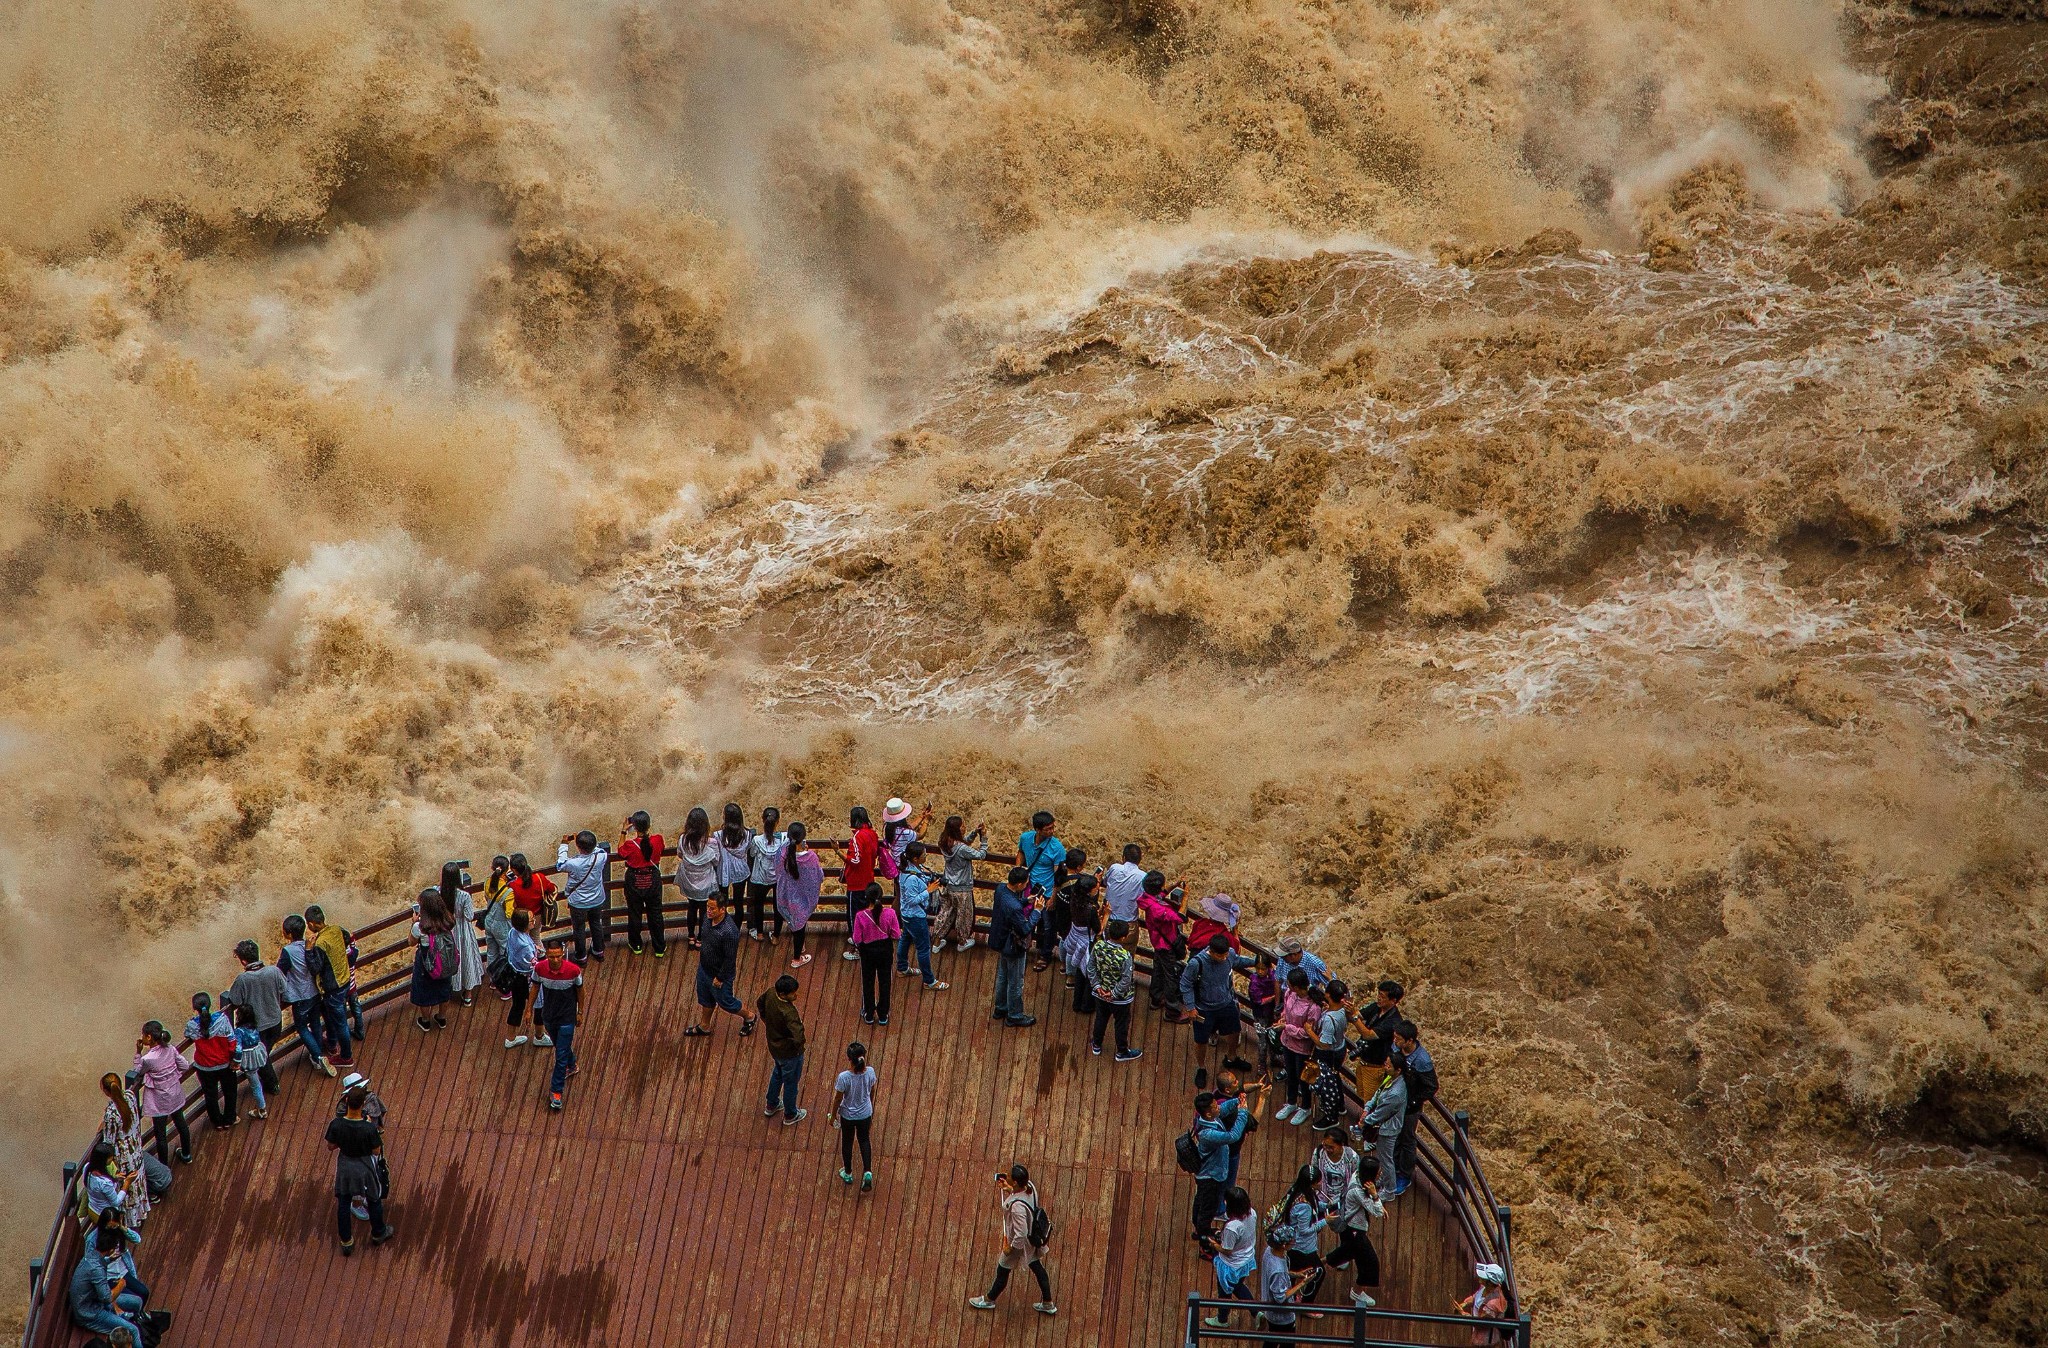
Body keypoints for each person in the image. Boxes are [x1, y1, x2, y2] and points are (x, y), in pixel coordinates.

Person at [968, 1164, 1056, 1316]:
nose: (1006, 1178)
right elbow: (1023, 1197)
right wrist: (1009, 1190)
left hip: (1020, 1244)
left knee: (1002, 1270)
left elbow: (1020, 1233)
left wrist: (1011, 1248)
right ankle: (1048, 1303)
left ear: (1015, 1182)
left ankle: (989, 1300)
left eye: (1009, 1178)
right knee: (1037, 1268)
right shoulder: (1030, 1187)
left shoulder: (1016, 1208)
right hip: (1032, 1239)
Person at [326, 1082, 393, 1254]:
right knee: (374, 1198)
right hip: (365, 1166)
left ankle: (346, 1241)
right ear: (363, 1104)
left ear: (346, 1100)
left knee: (344, 1201)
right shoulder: (369, 1128)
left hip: (345, 1165)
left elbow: (331, 1146)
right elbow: (376, 1150)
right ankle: (379, 1233)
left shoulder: (337, 1124)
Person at [68, 1220, 148, 1344]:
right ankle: (132, 1332)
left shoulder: (92, 1256)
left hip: (95, 1301)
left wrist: (108, 1260)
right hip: (90, 1314)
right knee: (133, 1331)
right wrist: (121, 1284)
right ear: (110, 1249)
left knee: (137, 1302)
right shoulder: (97, 1270)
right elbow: (107, 1298)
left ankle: (134, 1321)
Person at [688, 893, 756, 1038]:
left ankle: (750, 1016)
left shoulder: (729, 932)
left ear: (722, 909)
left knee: (727, 1002)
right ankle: (704, 1026)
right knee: (705, 998)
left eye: (712, 908)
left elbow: (730, 959)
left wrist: (720, 977)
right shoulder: (707, 919)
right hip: (704, 968)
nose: (709, 911)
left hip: (720, 975)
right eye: (708, 907)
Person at [223, 940, 286, 1095]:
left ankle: (272, 1085)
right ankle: (267, 1081)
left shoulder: (243, 979)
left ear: (243, 961)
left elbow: (235, 1000)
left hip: (257, 1027)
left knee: (261, 1057)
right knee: (264, 1053)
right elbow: (283, 988)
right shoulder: (274, 971)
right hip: (276, 1021)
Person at [1189, 1088, 1253, 1239]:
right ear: (1209, 1113)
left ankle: (1198, 1225)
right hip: (1211, 1176)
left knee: (1201, 1200)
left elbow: (1223, 1110)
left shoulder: (1209, 1117)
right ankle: (1204, 1236)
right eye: (1215, 1106)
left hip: (1207, 1172)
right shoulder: (1208, 1134)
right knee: (1208, 1208)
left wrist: (1237, 1101)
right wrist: (1243, 1112)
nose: (1219, 1107)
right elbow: (1232, 1136)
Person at [278, 914, 335, 1075]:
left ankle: (317, 1056)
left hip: (299, 995)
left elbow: (280, 970)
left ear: (288, 934)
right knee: (315, 1023)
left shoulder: (287, 951)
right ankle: (316, 1053)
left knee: (302, 1027)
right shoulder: (310, 944)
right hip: (314, 992)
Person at [1181, 934, 1256, 1055]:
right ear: (1211, 951)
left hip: (1226, 1003)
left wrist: (1255, 962)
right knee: (1201, 1041)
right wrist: (1190, 1007)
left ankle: (1232, 1057)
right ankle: (1201, 1068)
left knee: (1235, 1031)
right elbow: (1185, 984)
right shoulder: (1196, 963)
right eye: (1221, 956)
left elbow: (1238, 960)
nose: (1225, 958)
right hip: (1204, 1008)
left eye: (1226, 954)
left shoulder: (1229, 954)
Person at [1322, 1162, 1384, 1307]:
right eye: (1378, 1172)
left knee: (1345, 1253)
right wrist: (1375, 1196)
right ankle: (1356, 1292)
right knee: (1369, 1262)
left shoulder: (1356, 1176)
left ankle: (1316, 1264)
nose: (1380, 1173)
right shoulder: (1358, 1192)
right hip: (1355, 1231)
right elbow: (1378, 1212)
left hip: (1348, 1228)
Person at [532, 935, 583, 1110]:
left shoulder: (573, 971)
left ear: (563, 954)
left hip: (567, 1017)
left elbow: (580, 991)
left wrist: (580, 1012)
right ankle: (572, 1064)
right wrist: (528, 1009)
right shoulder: (539, 969)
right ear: (546, 955)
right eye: (551, 956)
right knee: (559, 1046)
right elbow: (535, 987)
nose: (555, 960)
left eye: (558, 956)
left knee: (560, 1055)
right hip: (549, 1016)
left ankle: (556, 1092)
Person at [988, 866, 1041, 1028]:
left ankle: (1001, 1007)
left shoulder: (1001, 889)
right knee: (1016, 982)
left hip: (1000, 940)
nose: (1026, 886)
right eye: (1025, 883)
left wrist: (1026, 900)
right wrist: (1037, 912)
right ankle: (1015, 1015)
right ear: (1018, 884)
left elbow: (1010, 902)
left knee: (1003, 976)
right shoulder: (1015, 908)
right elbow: (1025, 929)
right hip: (1013, 945)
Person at [97, 1075, 153, 1225]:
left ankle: (130, 1221)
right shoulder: (130, 1096)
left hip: (123, 1156)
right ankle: (141, 1213)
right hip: (136, 1148)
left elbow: (108, 1140)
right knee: (137, 1181)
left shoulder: (111, 1114)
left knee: (126, 1187)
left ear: (106, 1092)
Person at [304, 904, 357, 1064]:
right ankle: (332, 1044)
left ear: (312, 924)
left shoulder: (320, 943)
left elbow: (315, 968)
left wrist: (308, 950)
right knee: (336, 1018)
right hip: (345, 980)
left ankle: (346, 1057)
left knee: (340, 1023)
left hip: (333, 988)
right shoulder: (336, 930)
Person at [131, 1021, 189, 1164]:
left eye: (143, 1035)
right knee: (181, 1123)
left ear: (149, 1037)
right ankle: (187, 1154)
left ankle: (164, 1166)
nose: (142, 1038)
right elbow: (185, 1065)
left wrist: (138, 1052)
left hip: (159, 1100)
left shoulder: (148, 1059)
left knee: (160, 1135)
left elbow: (137, 1072)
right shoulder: (170, 1049)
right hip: (174, 1093)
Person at [893, 842, 949, 992]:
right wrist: (929, 891)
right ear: (916, 859)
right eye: (924, 855)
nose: (926, 856)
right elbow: (912, 900)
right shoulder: (911, 878)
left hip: (907, 915)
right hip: (915, 916)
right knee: (923, 949)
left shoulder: (908, 870)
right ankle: (929, 981)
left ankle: (902, 968)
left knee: (905, 939)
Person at [1270, 1166, 1327, 1309]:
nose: (1321, 1183)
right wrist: (1326, 1220)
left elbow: (1315, 1204)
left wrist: (1327, 1205)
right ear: (1312, 1183)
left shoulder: (1298, 1192)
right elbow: (1305, 1230)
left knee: (1292, 1271)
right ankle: (1306, 1305)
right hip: (1302, 1247)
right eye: (1318, 1181)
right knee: (1318, 1272)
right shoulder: (1304, 1206)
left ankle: (1290, 1297)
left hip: (1294, 1245)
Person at [1202, 1186, 1258, 1328]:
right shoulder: (1252, 1213)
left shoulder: (1232, 1227)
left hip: (1230, 1265)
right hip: (1246, 1259)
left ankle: (1222, 1319)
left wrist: (1214, 1244)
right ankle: (1256, 1312)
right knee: (1237, 1286)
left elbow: (1227, 1249)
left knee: (1225, 1292)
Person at [1088, 918, 1143, 1061]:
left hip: (1100, 994)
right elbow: (1126, 980)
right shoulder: (1125, 956)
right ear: (1124, 937)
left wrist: (1097, 987)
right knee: (1121, 1024)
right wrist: (1113, 993)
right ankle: (1122, 1051)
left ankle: (1096, 1045)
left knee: (1100, 1018)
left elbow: (1091, 967)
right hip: (1120, 999)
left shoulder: (1098, 946)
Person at [1393, 1020, 1437, 1193]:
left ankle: (1404, 1176)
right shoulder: (1397, 1047)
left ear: (1409, 1040)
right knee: (1394, 1136)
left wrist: (1414, 1101)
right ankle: (1392, 1169)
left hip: (1410, 1108)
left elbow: (1432, 1086)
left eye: (1398, 1038)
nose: (1395, 1040)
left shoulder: (1422, 1060)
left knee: (1407, 1140)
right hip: (1395, 1100)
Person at [184, 992, 239, 1131]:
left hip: (204, 1067)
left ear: (194, 1008)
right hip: (225, 1064)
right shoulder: (222, 1020)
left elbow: (187, 1034)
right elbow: (232, 1042)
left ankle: (217, 1122)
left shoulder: (192, 1025)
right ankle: (229, 1118)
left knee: (210, 1095)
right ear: (209, 1005)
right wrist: (234, 1059)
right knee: (230, 1092)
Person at [557, 828, 613, 963]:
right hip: (597, 899)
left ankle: (581, 956)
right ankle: (598, 951)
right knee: (596, 924)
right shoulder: (601, 856)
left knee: (579, 928)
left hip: (578, 902)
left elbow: (560, 864)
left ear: (578, 846)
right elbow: (598, 849)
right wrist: (581, 842)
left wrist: (564, 844)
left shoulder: (573, 863)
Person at [757, 974, 806, 1125]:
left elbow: (759, 1002)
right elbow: (798, 1035)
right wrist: (798, 1048)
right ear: (784, 994)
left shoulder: (771, 993)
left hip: (774, 1046)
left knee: (777, 1073)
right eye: (793, 993)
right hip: (790, 1053)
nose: (795, 995)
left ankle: (771, 1104)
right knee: (791, 1082)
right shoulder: (789, 1012)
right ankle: (790, 1114)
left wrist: (766, 1021)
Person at [1139, 874, 1189, 1020]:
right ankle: (1172, 1011)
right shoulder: (1158, 910)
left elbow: (1160, 894)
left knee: (1159, 969)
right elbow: (1181, 918)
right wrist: (1185, 897)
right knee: (1171, 976)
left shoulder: (1147, 898)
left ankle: (1156, 998)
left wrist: (1175, 884)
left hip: (1157, 942)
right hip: (1166, 945)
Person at [828, 1040, 877, 1191]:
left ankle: (848, 1172)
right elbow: (872, 1090)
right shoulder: (870, 1072)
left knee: (847, 1142)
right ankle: (867, 1171)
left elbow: (838, 1098)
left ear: (850, 1059)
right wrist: (870, 1107)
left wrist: (833, 1115)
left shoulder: (844, 1077)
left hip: (848, 1116)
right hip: (865, 1113)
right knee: (864, 1140)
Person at [618, 811, 667, 957]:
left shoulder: (630, 845)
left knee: (634, 913)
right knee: (656, 914)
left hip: (635, 882)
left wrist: (623, 831)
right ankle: (659, 947)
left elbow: (620, 852)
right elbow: (660, 848)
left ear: (634, 827)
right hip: (653, 880)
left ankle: (636, 944)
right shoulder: (657, 840)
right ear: (649, 825)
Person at [1275, 970, 1320, 1125]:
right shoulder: (1290, 993)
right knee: (1291, 1074)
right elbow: (1285, 1010)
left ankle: (1306, 1107)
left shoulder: (1313, 1007)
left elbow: (1308, 1033)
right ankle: (1291, 1102)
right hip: (1287, 1043)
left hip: (1302, 1049)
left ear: (1296, 986)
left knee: (1304, 1079)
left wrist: (1286, 1027)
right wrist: (1283, 1018)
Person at [934, 816, 986, 951]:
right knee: (963, 916)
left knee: (945, 913)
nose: (965, 827)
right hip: (962, 888)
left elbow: (963, 843)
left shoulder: (944, 842)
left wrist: (974, 832)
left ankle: (936, 942)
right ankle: (962, 943)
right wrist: (984, 839)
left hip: (948, 885)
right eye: (963, 826)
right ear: (957, 829)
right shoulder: (962, 848)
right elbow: (980, 855)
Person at [409, 886, 457, 1032]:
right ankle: (441, 1017)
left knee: (423, 990)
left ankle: (425, 1021)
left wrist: (413, 922)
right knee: (444, 988)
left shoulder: (420, 926)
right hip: (445, 960)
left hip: (427, 964)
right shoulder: (448, 919)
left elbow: (411, 942)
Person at [851, 883, 900, 1026]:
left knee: (868, 981)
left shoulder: (860, 916)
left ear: (866, 898)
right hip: (885, 949)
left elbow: (857, 939)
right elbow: (896, 934)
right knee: (885, 981)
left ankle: (869, 1013)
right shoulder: (890, 913)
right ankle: (883, 1015)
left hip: (868, 951)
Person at [836, 805, 881, 959]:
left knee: (853, 917)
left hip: (856, 884)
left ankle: (858, 949)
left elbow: (854, 860)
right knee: (866, 914)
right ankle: (864, 940)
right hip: (868, 881)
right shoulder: (873, 834)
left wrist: (837, 851)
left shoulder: (857, 837)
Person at [1362, 1053, 1410, 1193]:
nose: (1385, 1066)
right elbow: (1378, 1093)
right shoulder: (1390, 1078)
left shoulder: (1396, 1092)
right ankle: (1385, 1180)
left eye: (1389, 1065)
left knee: (1386, 1160)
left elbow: (1381, 1113)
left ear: (1398, 1070)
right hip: (1383, 1126)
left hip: (1388, 1129)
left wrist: (1365, 1121)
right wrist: (1367, 1108)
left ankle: (1390, 1189)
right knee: (1383, 1157)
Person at [777, 821, 823, 967]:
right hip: (801, 901)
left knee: (794, 925)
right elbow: (819, 876)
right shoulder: (810, 857)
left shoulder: (782, 853)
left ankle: (800, 945)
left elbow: (777, 870)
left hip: (784, 898)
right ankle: (797, 959)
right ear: (803, 837)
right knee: (799, 929)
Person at [1259, 1225, 1313, 1347]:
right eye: (1291, 1241)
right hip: (1282, 1318)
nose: (1294, 1242)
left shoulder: (1269, 1251)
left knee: (1271, 1340)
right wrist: (1303, 1283)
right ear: (1284, 1245)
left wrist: (1296, 1274)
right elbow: (1280, 1297)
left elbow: (1278, 1273)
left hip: (1270, 1312)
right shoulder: (1277, 1269)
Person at [674, 808, 720, 949]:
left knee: (691, 908)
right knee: (705, 911)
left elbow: (680, 855)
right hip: (705, 883)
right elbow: (716, 861)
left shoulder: (683, 839)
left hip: (689, 881)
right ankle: (701, 937)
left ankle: (691, 937)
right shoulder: (710, 842)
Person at [439, 862, 484, 1007]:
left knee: (448, 958)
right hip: (463, 930)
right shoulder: (464, 896)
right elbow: (469, 916)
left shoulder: (438, 893)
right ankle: (468, 994)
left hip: (447, 929)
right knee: (466, 958)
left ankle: (450, 986)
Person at [745, 807, 786, 943]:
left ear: (763, 820)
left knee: (758, 905)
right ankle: (775, 936)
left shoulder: (757, 840)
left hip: (761, 878)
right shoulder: (783, 839)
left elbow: (752, 854)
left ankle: (760, 933)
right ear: (778, 822)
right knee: (777, 906)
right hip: (777, 878)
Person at [501, 907, 541, 1048]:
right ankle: (539, 1035)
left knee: (517, 1005)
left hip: (514, 974)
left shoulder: (513, 932)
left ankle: (511, 1037)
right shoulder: (525, 946)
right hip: (525, 978)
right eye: (531, 920)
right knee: (538, 1004)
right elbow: (533, 964)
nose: (534, 921)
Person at [716, 802, 753, 929]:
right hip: (740, 869)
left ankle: (723, 926)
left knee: (722, 902)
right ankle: (736, 928)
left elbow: (716, 853)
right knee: (739, 902)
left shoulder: (718, 835)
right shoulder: (747, 834)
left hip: (724, 870)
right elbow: (749, 849)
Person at [1354, 980, 1406, 1068]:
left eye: (1382, 996)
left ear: (1393, 1000)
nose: (1378, 998)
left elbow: (1368, 1035)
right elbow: (1358, 1014)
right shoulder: (1376, 1006)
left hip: (1375, 1066)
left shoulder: (1394, 1021)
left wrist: (1354, 1018)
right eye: (1378, 994)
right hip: (1363, 1059)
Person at [231, 1004, 270, 1119]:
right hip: (257, 1052)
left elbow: (238, 1048)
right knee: (256, 1081)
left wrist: (236, 1062)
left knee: (255, 1085)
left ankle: (262, 1109)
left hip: (248, 1058)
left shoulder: (239, 1031)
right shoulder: (254, 1025)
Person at [1309, 1128, 1360, 1215]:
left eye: (1331, 1147)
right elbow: (1314, 1172)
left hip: (1344, 1197)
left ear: (1342, 1145)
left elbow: (1356, 1179)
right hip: (1321, 1194)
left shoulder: (1352, 1157)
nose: (1327, 1149)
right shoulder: (1318, 1153)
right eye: (1325, 1145)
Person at [1017, 809, 1065, 897]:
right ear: (1037, 830)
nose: (1052, 831)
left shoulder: (1057, 848)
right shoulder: (1025, 838)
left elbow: (1058, 877)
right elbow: (1021, 852)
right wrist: (1017, 870)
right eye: (1048, 829)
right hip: (1027, 888)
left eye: (1053, 827)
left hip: (1046, 893)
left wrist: (1053, 899)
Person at [1458, 1263, 1511, 1343]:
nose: (1480, 1277)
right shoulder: (1484, 1288)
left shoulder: (1492, 1304)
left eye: (1484, 1277)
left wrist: (1462, 1313)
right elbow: (1476, 1297)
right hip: (1478, 1335)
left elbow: (1480, 1323)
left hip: (1484, 1341)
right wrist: (1465, 1303)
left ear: (1489, 1283)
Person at [506, 853, 556, 927]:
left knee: (522, 937)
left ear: (514, 870)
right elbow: (552, 889)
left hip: (522, 918)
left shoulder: (512, 885)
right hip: (537, 916)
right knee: (535, 937)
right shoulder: (539, 877)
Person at [1103, 843, 1147, 924]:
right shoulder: (1143, 876)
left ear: (1123, 857)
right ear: (1140, 859)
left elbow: (1105, 882)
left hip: (1107, 919)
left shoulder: (1114, 868)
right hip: (1128, 924)